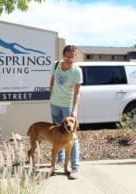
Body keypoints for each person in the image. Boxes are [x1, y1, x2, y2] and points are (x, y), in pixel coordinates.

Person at [49, 45, 83, 179]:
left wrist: (74, 110)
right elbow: (52, 80)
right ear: (63, 55)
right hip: (54, 104)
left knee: (72, 137)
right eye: (67, 56)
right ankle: (59, 161)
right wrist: (51, 94)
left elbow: (78, 93)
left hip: (67, 107)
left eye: (72, 57)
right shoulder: (56, 64)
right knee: (58, 133)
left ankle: (74, 167)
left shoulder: (76, 71)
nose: (69, 59)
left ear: (75, 57)